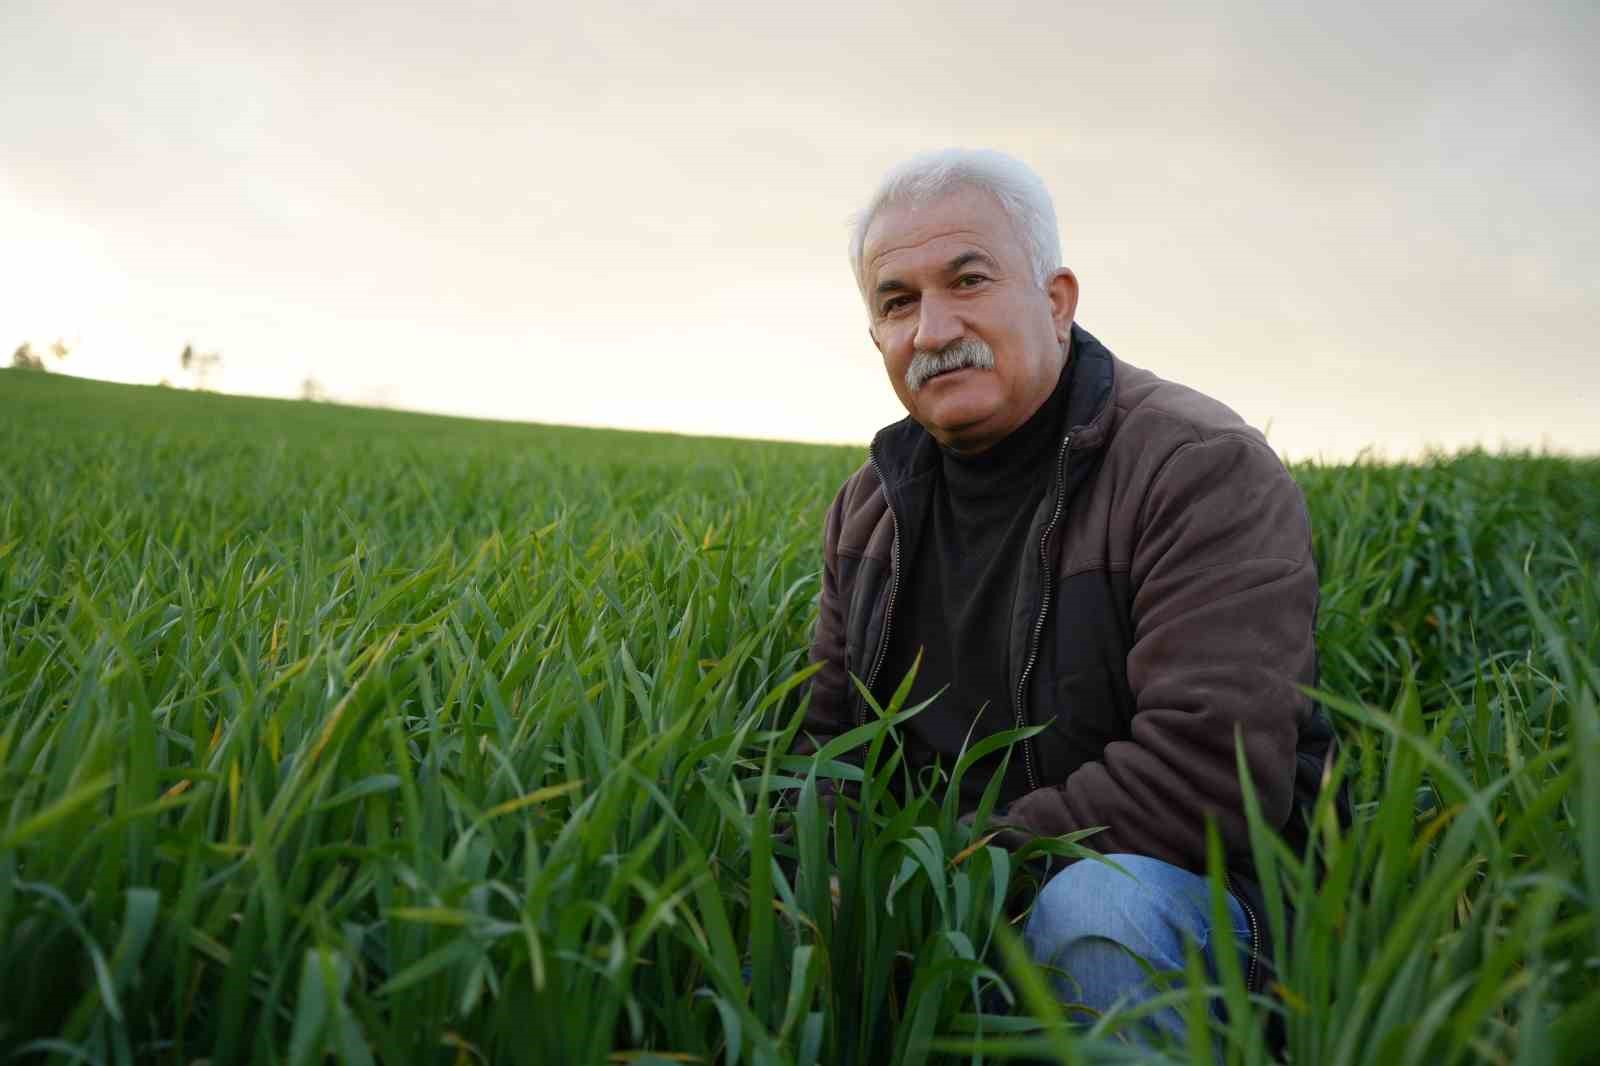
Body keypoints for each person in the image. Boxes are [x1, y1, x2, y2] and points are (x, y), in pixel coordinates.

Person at [798, 148, 1341, 1040]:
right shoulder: (870, 507)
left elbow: (1206, 778)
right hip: (949, 889)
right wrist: (831, 873)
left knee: (1100, 911)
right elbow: (823, 751)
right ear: (877, 337)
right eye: (898, 302)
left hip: (1198, 898)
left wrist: (956, 866)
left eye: (968, 281)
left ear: (1056, 301)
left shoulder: (1194, 467)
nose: (933, 329)